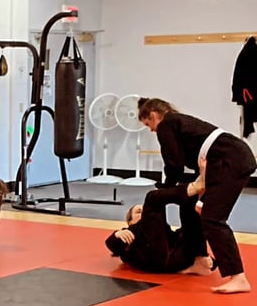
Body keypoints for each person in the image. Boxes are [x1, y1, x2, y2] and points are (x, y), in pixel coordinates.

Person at [138, 97, 256, 293]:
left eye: (148, 124)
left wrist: (165, 190)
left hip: (229, 160)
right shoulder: (179, 123)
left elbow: (174, 164)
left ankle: (238, 277)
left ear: (153, 115)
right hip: (226, 159)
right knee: (189, 206)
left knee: (212, 219)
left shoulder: (167, 124)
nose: (151, 130)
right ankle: (200, 259)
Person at [105, 179, 213, 275]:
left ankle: (199, 259)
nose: (143, 214)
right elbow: (113, 246)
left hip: (177, 260)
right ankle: (195, 187)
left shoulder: (165, 231)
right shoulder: (131, 232)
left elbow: (190, 234)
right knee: (151, 198)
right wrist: (116, 235)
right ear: (130, 221)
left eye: (144, 211)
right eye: (138, 212)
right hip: (152, 258)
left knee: (189, 208)